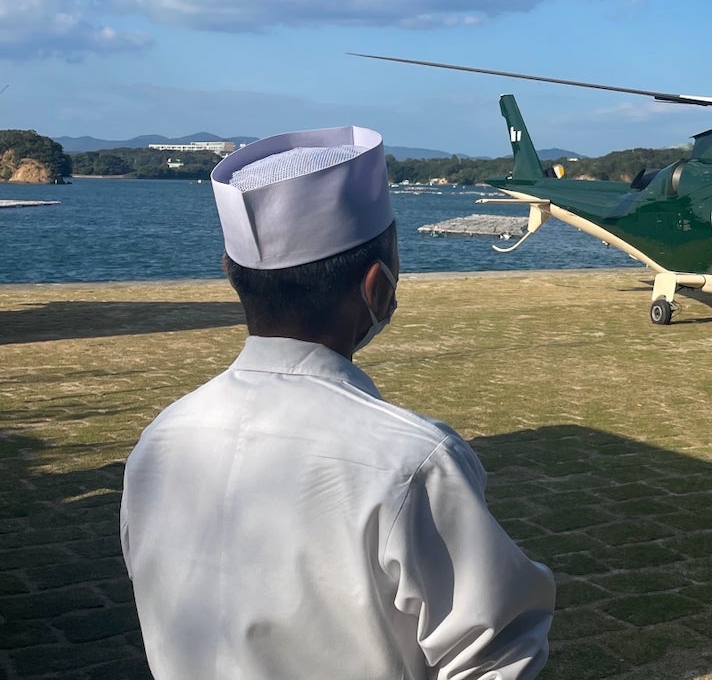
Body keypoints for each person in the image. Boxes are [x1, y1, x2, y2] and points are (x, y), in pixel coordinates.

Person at [120, 126, 554, 679]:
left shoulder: (159, 442)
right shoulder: (412, 462)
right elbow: (496, 654)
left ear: (232, 275)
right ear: (378, 286)